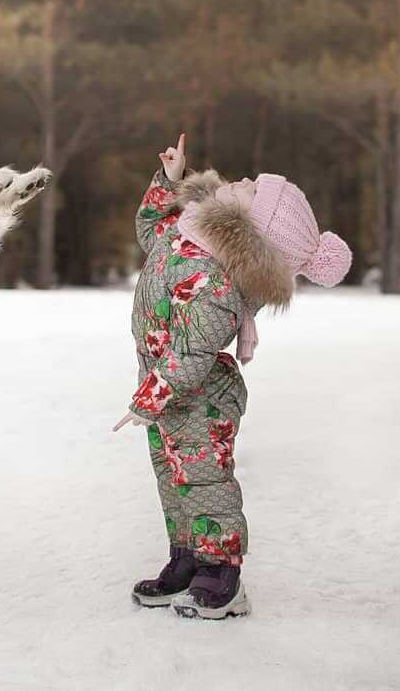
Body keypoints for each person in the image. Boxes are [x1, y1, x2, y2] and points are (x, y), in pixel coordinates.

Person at [115, 133, 352, 620]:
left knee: (205, 482)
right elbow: (149, 232)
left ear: (246, 230)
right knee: (175, 480)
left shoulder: (215, 281)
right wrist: (171, 181)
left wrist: (148, 398)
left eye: (250, 193)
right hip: (169, 390)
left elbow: (193, 351)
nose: (240, 183)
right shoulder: (189, 233)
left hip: (199, 396)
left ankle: (222, 575)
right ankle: (186, 559)